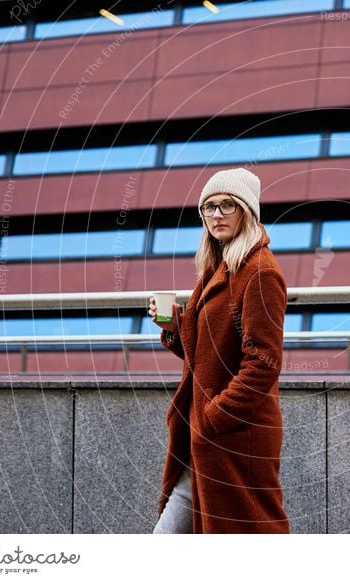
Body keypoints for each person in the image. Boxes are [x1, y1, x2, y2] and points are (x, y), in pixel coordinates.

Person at [149, 167, 290, 534]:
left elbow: (263, 362)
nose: (216, 215)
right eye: (209, 207)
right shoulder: (218, 268)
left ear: (247, 210)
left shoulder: (260, 272)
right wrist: (176, 330)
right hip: (207, 437)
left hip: (236, 434)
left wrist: (213, 418)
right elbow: (212, 354)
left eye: (227, 205)